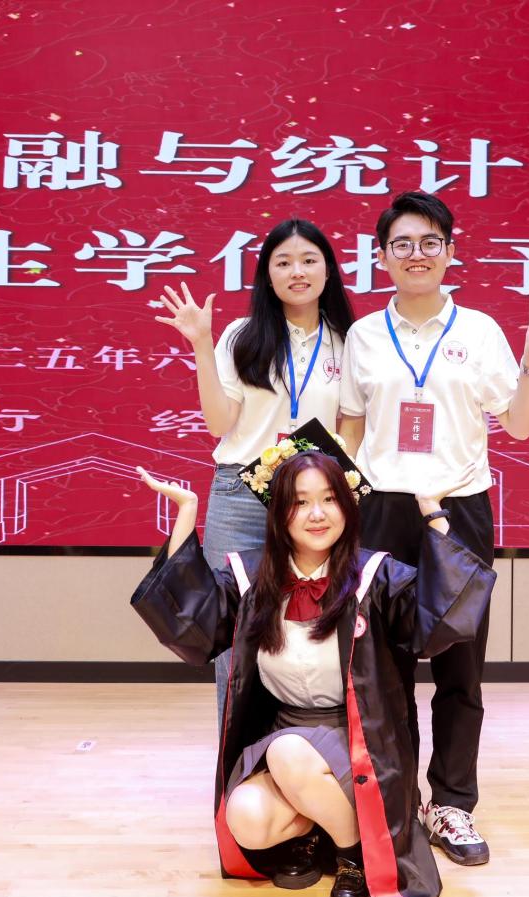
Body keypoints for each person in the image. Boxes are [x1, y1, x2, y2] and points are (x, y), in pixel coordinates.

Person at [131, 448, 495, 897]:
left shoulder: (375, 576)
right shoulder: (253, 579)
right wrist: (188, 514)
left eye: (328, 499)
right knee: (246, 817)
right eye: (300, 502)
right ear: (279, 513)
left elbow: (442, 619)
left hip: (361, 741)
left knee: (288, 754)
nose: (316, 514)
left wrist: (433, 513)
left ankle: (354, 856)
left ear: (347, 505)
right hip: (286, 730)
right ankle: (317, 830)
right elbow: (193, 625)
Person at [337, 191, 529, 867]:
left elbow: (518, 424)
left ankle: (453, 803)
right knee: (385, 669)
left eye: (430, 242)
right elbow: (351, 428)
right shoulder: (364, 335)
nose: (417, 255)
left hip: (458, 510)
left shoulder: (481, 330)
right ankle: (399, 798)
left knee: (460, 666)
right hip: (383, 510)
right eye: (403, 244)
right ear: (381, 256)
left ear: (450, 252)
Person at [153, 218, 356, 724]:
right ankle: (237, 754)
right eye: (283, 262)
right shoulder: (242, 336)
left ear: (328, 270)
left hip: (314, 501)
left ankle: (306, 744)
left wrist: (336, 489)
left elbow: (353, 426)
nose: (297, 271)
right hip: (242, 495)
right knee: (234, 625)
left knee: (311, 623)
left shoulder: (349, 341)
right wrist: (202, 344)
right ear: (267, 274)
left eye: (308, 260)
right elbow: (218, 423)